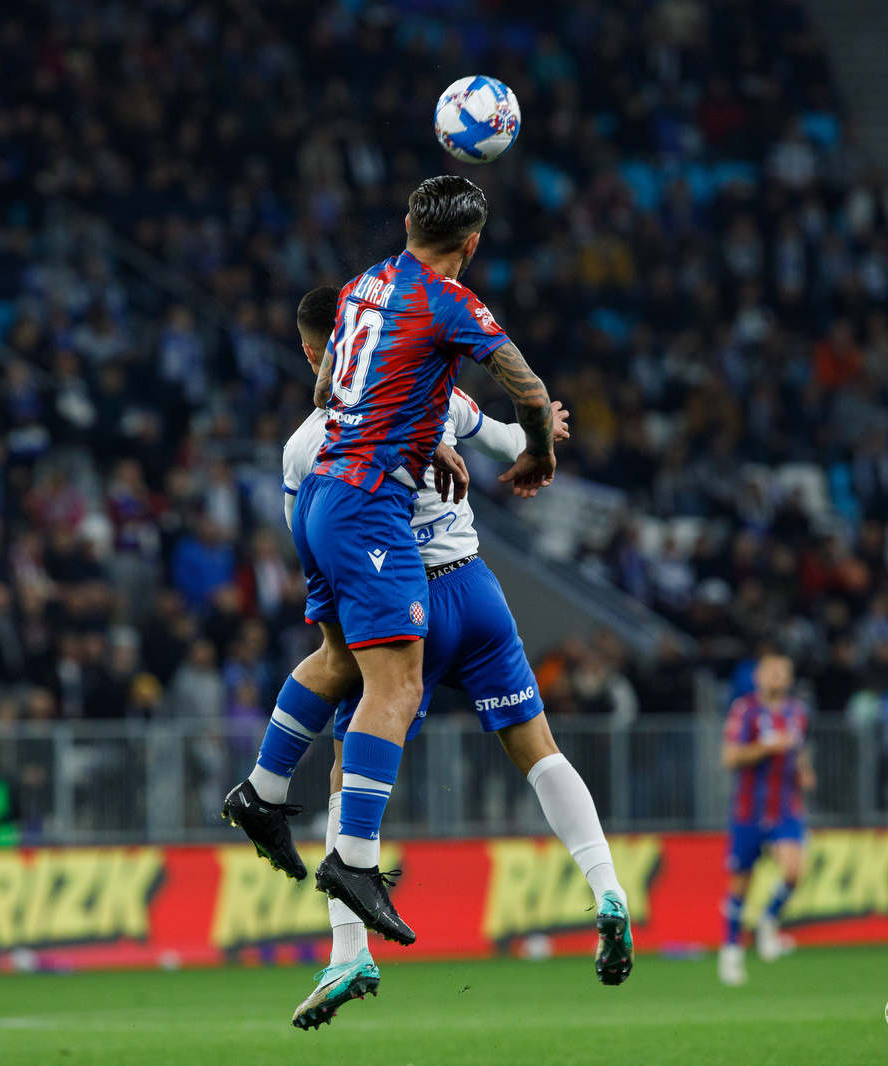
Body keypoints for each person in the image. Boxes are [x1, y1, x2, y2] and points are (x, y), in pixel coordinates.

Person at [231, 285, 628, 1030]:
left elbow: (312, 538)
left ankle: (349, 949)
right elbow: (503, 432)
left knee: (355, 753)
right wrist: (532, 434)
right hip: (476, 591)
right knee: (536, 748)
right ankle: (607, 887)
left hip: (399, 607)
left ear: (317, 355)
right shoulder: (432, 392)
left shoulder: (305, 444)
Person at [223, 175, 557, 954]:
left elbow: (326, 387)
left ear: (408, 222)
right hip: (369, 506)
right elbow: (532, 393)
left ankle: (264, 791)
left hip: (321, 494)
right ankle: (356, 862)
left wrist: (414, 425)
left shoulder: (362, 284)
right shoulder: (452, 301)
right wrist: (537, 452)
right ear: (471, 245)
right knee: (396, 683)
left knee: (339, 658)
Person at [718, 654, 814, 987]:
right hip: (749, 811)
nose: (776, 678)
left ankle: (767, 919)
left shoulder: (797, 713)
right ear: (758, 676)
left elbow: (799, 750)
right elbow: (730, 757)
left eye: (782, 673)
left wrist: (804, 771)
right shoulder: (745, 711)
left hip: (786, 808)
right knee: (740, 885)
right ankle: (730, 953)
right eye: (771, 672)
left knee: (793, 870)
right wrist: (765, 747)